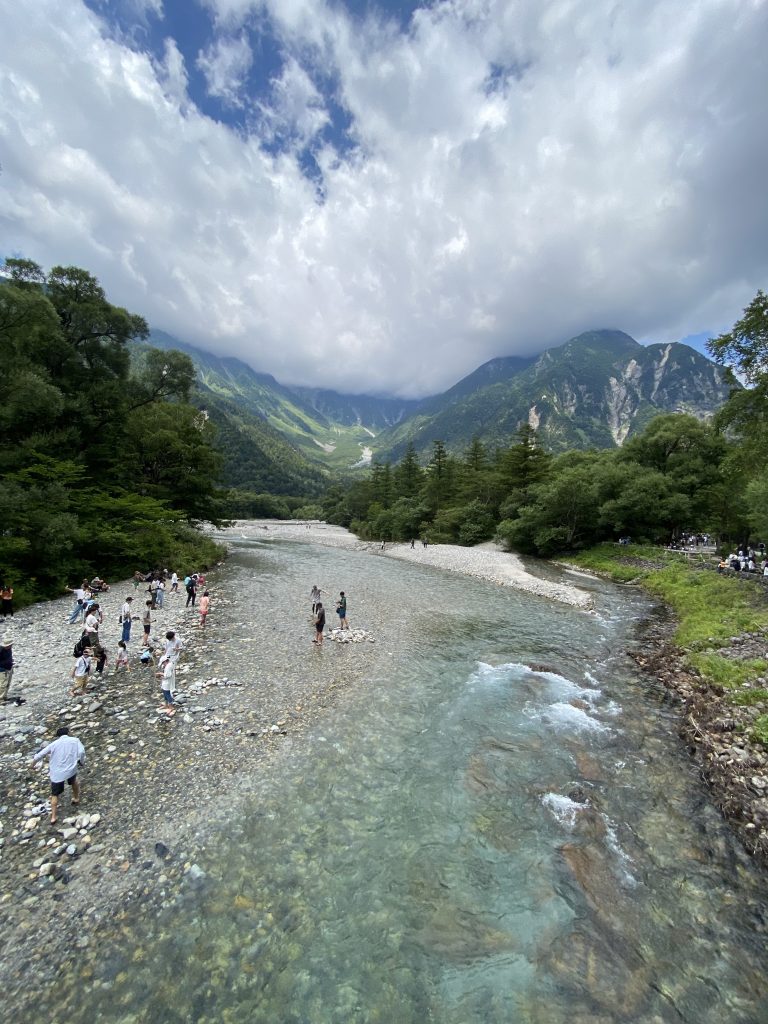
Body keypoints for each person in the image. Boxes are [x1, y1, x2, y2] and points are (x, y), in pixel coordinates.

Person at [31, 727, 86, 824]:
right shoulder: (75, 740)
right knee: (74, 782)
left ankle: (53, 817)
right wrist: (81, 761)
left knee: (55, 794)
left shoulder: (54, 744)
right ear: (68, 732)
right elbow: (81, 752)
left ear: (58, 736)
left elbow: (40, 755)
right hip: (71, 769)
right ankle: (76, 798)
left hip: (57, 773)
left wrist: (32, 765)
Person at [0, 636, 14, 703]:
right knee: (3, 684)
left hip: (9, 668)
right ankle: (0, 699)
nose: (11, 646)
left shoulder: (9, 649)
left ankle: (4, 696)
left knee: (8, 683)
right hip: (2, 669)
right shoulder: (1, 650)